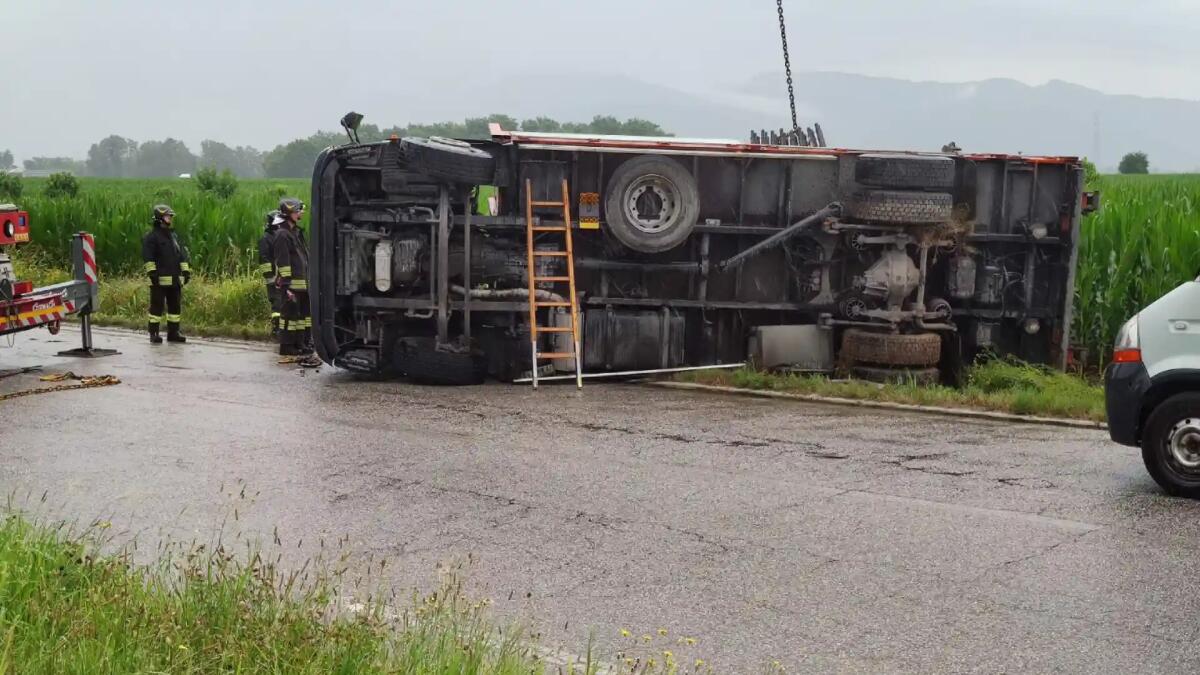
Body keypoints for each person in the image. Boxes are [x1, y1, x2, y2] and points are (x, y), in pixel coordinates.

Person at [272, 197, 317, 364]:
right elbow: (283, 263)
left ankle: (301, 342)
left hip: (303, 284)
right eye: (298, 210)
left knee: (302, 317)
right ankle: (286, 345)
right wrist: (286, 286)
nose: (301, 213)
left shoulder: (296, 232)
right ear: (289, 213)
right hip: (291, 285)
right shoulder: (282, 235)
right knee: (289, 316)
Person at [141, 204, 190, 344]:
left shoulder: (173, 236)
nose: (170, 219)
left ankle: (173, 333)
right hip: (158, 280)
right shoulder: (151, 238)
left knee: (175, 307)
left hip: (175, 280)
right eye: (168, 216)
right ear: (160, 218)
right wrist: (152, 274)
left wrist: (186, 271)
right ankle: (154, 333)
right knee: (157, 307)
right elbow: (148, 257)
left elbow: (181, 255)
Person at [258, 209, 281, 337]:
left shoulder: (278, 236)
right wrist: (271, 276)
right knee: (277, 304)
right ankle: (276, 328)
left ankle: (282, 329)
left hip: (282, 277)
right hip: (273, 277)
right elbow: (264, 259)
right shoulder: (266, 239)